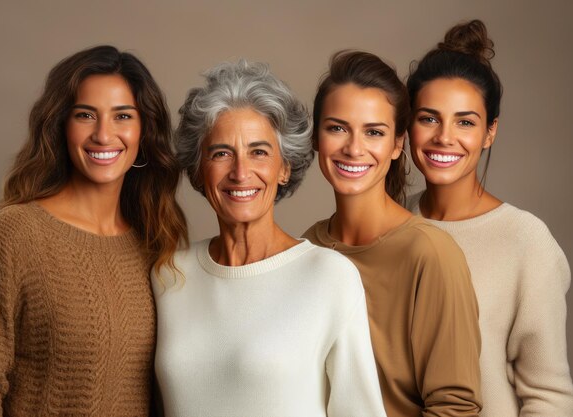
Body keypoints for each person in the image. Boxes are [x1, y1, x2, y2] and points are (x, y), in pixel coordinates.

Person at [0, 45, 187, 417]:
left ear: (144, 131)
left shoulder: (154, 241)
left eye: (122, 116)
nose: (103, 134)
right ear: (62, 125)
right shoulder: (17, 232)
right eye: (85, 115)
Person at [152, 60, 387, 417]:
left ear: (284, 167)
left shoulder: (329, 276)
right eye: (221, 153)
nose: (241, 172)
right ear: (199, 169)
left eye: (258, 152)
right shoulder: (168, 273)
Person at [406, 19, 573, 416]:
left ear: (490, 132)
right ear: (408, 125)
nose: (444, 137)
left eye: (465, 121)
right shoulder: (391, 223)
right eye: (429, 118)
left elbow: (549, 396)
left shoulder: (526, 241)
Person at [302, 50, 481, 417]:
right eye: (337, 128)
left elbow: (455, 407)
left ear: (398, 144)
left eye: (374, 132)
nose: (354, 148)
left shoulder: (430, 254)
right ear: (315, 138)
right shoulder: (307, 249)